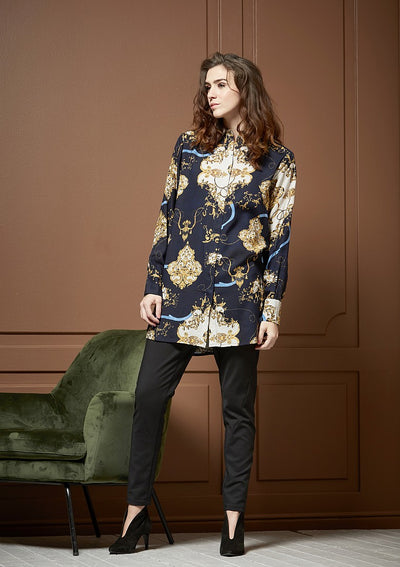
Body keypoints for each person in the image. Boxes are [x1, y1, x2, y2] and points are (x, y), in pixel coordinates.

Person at [109, 51, 296, 557]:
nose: (210, 93)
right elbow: (166, 216)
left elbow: (279, 242)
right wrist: (153, 283)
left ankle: (233, 523)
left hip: (241, 302)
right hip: (180, 293)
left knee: (238, 412)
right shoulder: (187, 147)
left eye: (220, 84)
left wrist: (272, 309)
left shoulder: (278, 161)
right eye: (207, 85)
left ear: (245, 89)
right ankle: (134, 517)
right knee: (149, 398)